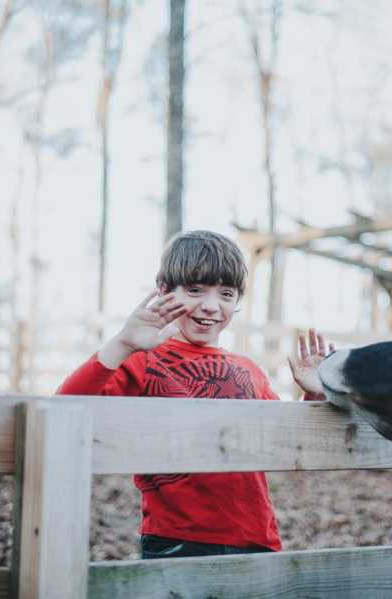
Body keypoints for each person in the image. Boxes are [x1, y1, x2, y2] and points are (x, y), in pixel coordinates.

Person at [56, 230, 333, 559]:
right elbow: (65, 410)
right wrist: (123, 344)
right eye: (195, 290)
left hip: (256, 539)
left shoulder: (250, 370)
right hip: (177, 540)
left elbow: (282, 445)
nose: (211, 306)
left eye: (226, 294)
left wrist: (315, 397)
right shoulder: (143, 361)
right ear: (164, 291)